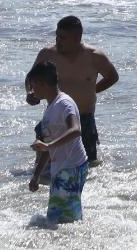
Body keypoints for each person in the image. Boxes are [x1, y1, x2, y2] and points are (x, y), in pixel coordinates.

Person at [28, 16, 119, 166]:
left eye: (63, 37)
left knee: (87, 166)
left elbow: (112, 77)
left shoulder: (94, 57)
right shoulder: (48, 55)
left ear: (77, 38)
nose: (58, 40)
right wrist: (31, 93)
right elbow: (31, 78)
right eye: (56, 36)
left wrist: (91, 90)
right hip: (55, 118)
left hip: (84, 118)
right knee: (47, 167)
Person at [26, 61, 89, 225]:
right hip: (62, 168)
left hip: (71, 168)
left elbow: (75, 130)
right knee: (66, 220)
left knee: (58, 221)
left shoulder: (64, 103)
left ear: (42, 84)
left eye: (33, 86)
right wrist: (36, 176)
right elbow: (48, 147)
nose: (32, 91)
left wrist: (49, 146)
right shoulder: (51, 107)